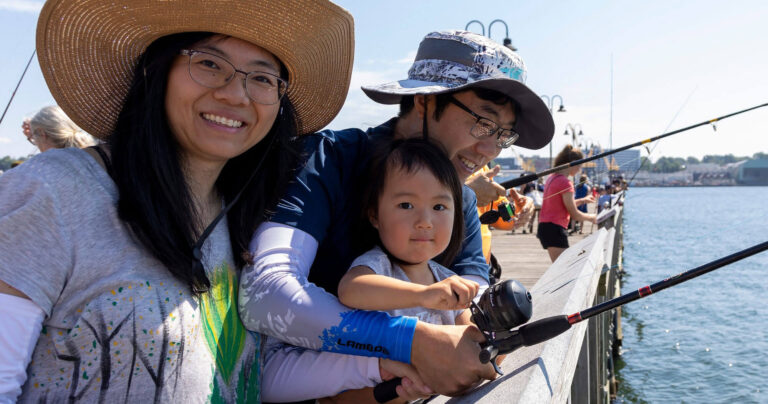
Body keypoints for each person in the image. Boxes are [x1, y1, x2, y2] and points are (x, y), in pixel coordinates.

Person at [0, 0, 353, 402]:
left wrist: (380, 365)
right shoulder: (55, 191)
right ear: (155, 70)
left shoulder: (245, 221)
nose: (236, 94)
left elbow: (246, 377)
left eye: (262, 78)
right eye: (208, 63)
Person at [239, 30, 555, 400]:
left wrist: (473, 339)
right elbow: (264, 295)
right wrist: (411, 342)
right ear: (423, 101)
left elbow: (475, 298)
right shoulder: (327, 159)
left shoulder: (463, 202)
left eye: (503, 135)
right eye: (483, 123)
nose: (489, 150)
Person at [332, 138, 483, 402]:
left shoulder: (448, 280)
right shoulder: (377, 266)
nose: (425, 222)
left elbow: (471, 337)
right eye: (406, 205)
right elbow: (351, 289)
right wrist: (424, 294)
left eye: (439, 207)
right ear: (375, 215)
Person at [537, 145, 597, 262]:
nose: (579, 170)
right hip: (555, 229)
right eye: (579, 166)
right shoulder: (565, 182)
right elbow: (574, 214)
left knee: (562, 268)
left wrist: (582, 200)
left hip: (545, 227)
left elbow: (560, 205)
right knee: (563, 271)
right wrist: (592, 218)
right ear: (573, 163)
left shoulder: (552, 177)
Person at [24, 106, 96, 152]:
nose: (38, 147)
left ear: (42, 134)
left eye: (34, 140)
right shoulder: (93, 155)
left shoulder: (52, 167)